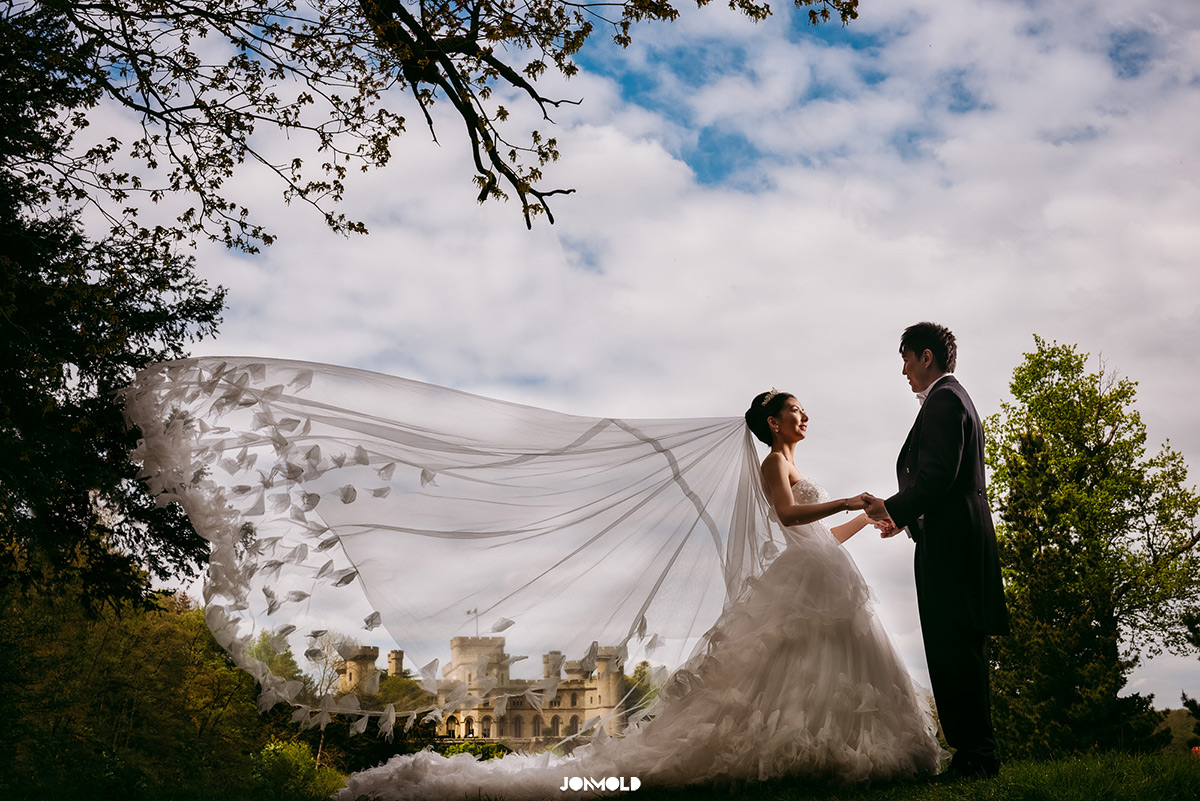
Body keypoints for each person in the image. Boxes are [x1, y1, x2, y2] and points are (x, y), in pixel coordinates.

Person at [121, 359, 940, 799]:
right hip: (801, 574)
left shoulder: (791, 460)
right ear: (771, 420)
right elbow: (786, 520)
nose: (804, 418)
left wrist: (861, 523)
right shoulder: (773, 463)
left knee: (818, 672)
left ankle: (823, 756)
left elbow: (810, 532)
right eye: (795, 410)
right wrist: (852, 497)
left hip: (814, 575)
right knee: (785, 675)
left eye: (800, 413)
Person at [863, 322, 1010, 781]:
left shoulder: (945, 400)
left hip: (952, 549)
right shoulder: (953, 399)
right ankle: (975, 753)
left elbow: (938, 476)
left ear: (927, 357)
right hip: (953, 541)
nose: (904, 371)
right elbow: (942, 485)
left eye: (906, 359)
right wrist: (905, 518)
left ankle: (976, 757)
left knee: (954, 650)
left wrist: (891, 507)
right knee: (956, 649)